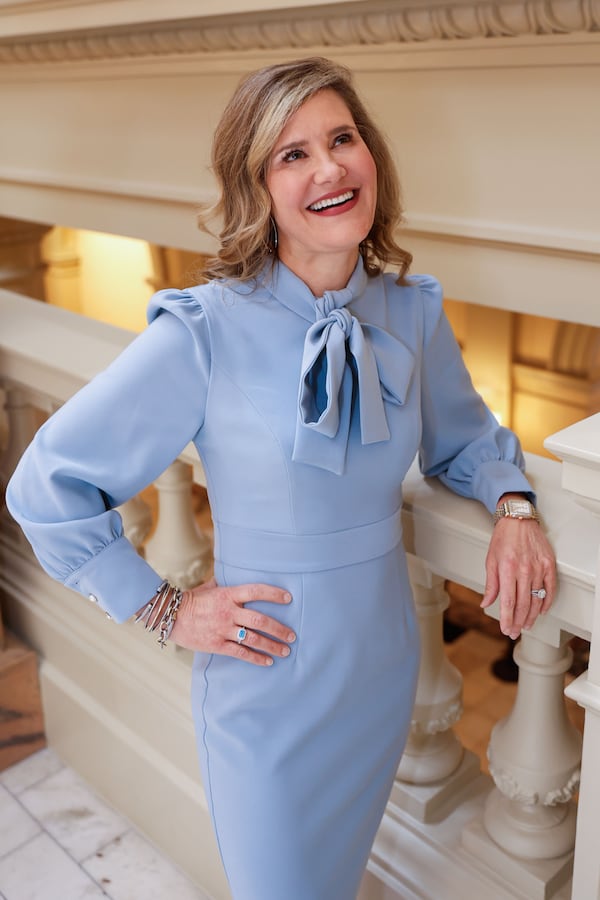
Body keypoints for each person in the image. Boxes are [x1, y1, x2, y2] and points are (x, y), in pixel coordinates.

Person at [6, 56, 556, 899]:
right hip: (265, 682)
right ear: (257, 186)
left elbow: (467, 440)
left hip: (379, 670)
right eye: (292, 154)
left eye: (343, 138)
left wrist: (513, 504)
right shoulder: (201, 332)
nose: (329, 167)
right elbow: (46, 484)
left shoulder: (412, 309)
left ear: (372, 155)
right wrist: (158, 605)